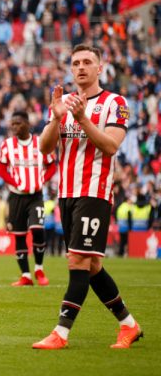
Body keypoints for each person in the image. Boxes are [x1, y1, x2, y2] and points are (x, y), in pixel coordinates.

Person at [33, 44, 142, 349]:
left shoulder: (115, 102)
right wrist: (56, 118)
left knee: (78, 260)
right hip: (67, 194)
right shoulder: (64, 102)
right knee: (91, 266)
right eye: (76, 63)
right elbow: (44, 148)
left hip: (94, 192)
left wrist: (82, 119)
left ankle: (61, 332)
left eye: (87, 62)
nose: (81, 67)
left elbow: (111, 146)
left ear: (99, 68)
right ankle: (129, 325)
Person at [0, 110, 57, 286]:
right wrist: (14, 182)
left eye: (18, 123)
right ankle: (26, 276)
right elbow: (1, 170)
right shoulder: (7, 145)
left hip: (35, 195)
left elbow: (51, 166)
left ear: (27, 124)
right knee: (19, 235)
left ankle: (39, 268)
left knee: (37, 229)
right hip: (16, 197)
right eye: (12, 124)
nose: (14, 127)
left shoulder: (40, 143)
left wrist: (42, 180)